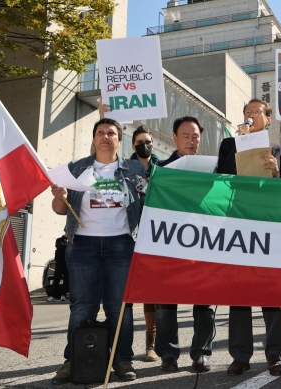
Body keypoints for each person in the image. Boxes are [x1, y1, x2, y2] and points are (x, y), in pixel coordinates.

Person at [50, 118, 144, 385]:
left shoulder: (135, 169)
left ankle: (122, 360)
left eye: (111, 133)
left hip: (122, 244)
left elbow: (150, 201)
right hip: (82, 245)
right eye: (100, 132)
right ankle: (73, 361)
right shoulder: (75, 168)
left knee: (120, 307)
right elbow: (60, 209)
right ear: (93, 138)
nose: (105, 136)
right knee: (82, 307)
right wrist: (59, 196)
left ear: (119, 140)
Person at [216, 99, 281, 376]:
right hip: (238, 222)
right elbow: (221, 175)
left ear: (267, 120)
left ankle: (274, 354)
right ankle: (240, 354)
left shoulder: (280, 151)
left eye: (255, 113)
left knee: (270, 292)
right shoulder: (229, 144)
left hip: (267, 225)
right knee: (239, 290)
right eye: (246, 112)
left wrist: (275, 171)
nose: (249, 116)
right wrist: (238, 145)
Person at [153, 116, 215, 374]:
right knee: (166, 300)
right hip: (170, 241)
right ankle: (168, 354)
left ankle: (201, 353)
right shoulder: (160, 169)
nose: (191, 141)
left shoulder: (214, 169)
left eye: (195, 137)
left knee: (205, 300)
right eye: (185, 136)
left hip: (205, 241)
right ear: (175, 137)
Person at [126, 125, 162, 362]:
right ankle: (121, 350)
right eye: (140, 141)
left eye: (148, 141)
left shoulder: (163, 170)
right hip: (129, 235)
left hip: (155, 237)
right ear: (133, 145)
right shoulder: (124, 169)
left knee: (151, 294)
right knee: (125, 293)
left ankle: (151, 344)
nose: (144, 145)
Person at [47, 234, 68, 302]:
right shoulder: (59, 240)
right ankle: (52, 295)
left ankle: (63, 295)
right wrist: (70, 246)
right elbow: (61, 246)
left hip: (67, 263)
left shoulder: (70, 241)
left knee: (66, 280)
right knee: (56, 279)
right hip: (60, 262)